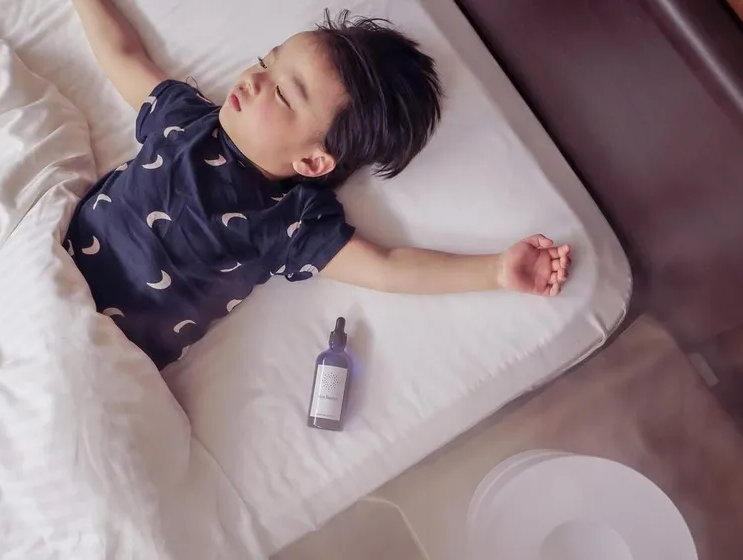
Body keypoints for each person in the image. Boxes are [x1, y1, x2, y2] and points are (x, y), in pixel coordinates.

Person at [66, 0, 572, 368]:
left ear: (312, 161)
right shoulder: (185, 120)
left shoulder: (289, 222)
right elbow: (123, 56)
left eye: (282, 94)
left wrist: (495, 271)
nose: (253, 79)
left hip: (104, 352)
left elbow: (388, 267)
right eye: (266, 61)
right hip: (54, 268)